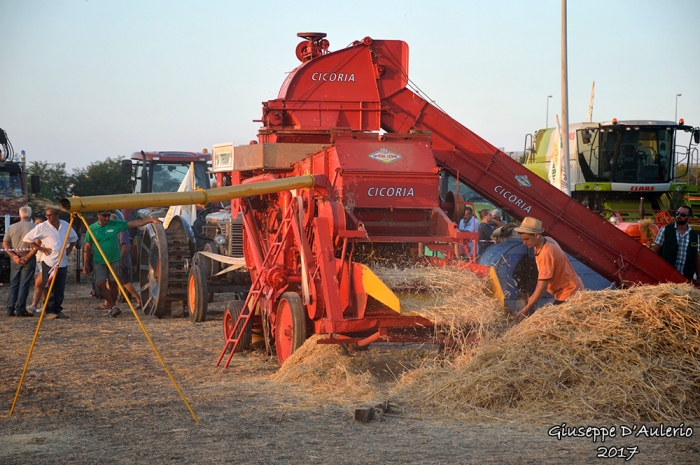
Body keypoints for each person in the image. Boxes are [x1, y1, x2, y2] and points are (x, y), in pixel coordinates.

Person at [82, 210, 157, 318]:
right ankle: (113, 306)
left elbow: (134, 223)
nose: (107, 218)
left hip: (115, 260)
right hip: (99, 261)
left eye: (108, 215)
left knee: (114, 284)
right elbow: (87, 246)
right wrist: (85, 264)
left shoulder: (116, 224)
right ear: (98, 215)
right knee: (100, 284)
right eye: (104, 216)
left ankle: (113, 307)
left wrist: (150, 220)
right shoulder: (92, 229)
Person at [514, 217, 583, 322]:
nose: (524, 243)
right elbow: (541, 278)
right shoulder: (547, 240)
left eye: (526, 239)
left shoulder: (546, 253)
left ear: (536, 235)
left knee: (555, 325)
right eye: (522, 239)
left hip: (569, 293)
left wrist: (526, 309)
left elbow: (542, 286)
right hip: (570, 288)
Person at [24, 208, 79, 319]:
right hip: (48, 261)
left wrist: (69, 248)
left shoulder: (65, 225)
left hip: (62, 261)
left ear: (57, 215)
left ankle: (57, 309)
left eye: (51, 215)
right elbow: (28, 238)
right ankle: (49, 310)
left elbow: (74, 238)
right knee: (48, 286)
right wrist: (40, 248)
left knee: (60, 286)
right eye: (47, 215)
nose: (48, 217)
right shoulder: (42, 226)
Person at [3, 206, 38, 317]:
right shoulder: (35, 227)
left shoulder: (11, 227)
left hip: (16, 258)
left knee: (14, 283)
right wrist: (27, 257)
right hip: (29, 258)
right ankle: (20, 309)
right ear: (31, 216)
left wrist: (14, 256)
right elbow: (37, 245)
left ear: (19, 216)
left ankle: (10, 308)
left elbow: (5, 244)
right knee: (24, 284)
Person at [652, 205, 700, 281]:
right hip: (666, 277)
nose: (679, 216)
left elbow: (696, 257)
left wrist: (698, 276)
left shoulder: (695, 236)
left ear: (689, 218)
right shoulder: (665, 230)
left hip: (686, 278)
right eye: (677, 214)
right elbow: (655, 251)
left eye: (683, 215)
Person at [28, 216, 46, 314]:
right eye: (36, 223)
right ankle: (45, 304)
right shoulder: (34, 235)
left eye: (39, 223)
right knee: (41, 285)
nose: (37, 225)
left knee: (38, 284)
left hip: (44, 261)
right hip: (37, 261)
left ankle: (33, 305)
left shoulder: (45, 235)